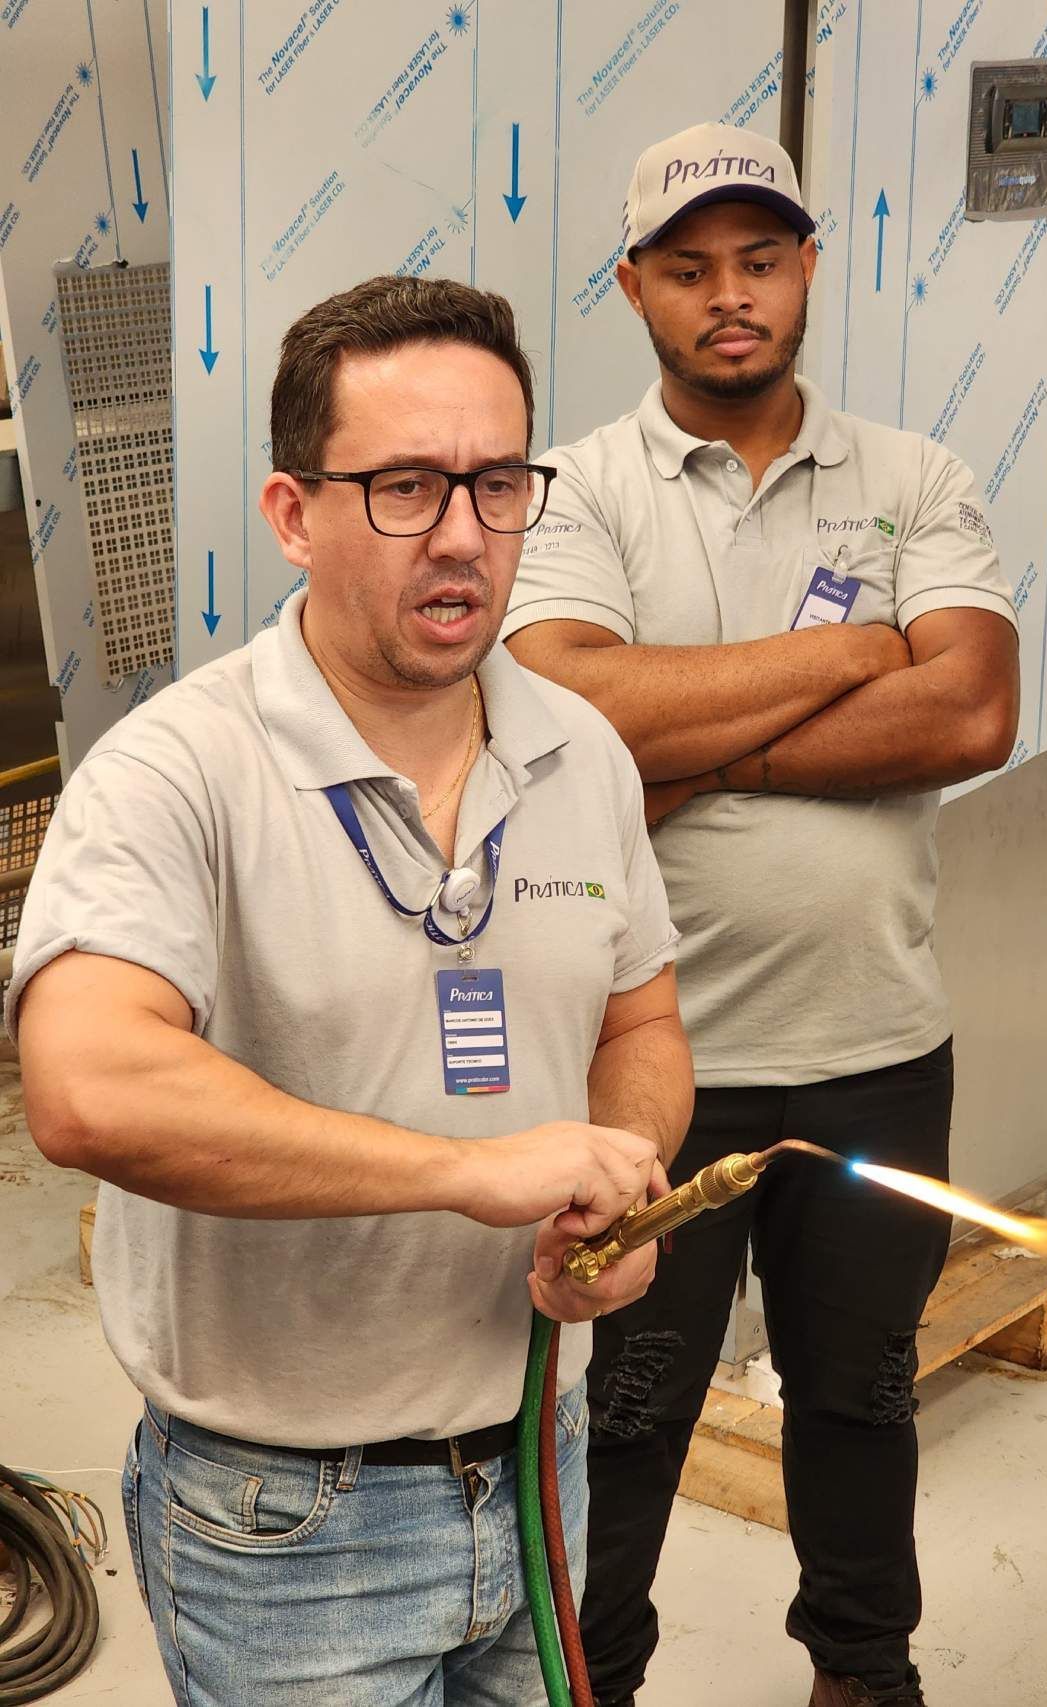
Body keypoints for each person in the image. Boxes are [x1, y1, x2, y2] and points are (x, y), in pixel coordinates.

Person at [7, 275, 694, 1706]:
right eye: (404, 486)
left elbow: (639, 1019)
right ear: (291, 511)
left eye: (499, 483)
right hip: (288, 1523)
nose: (462, 533)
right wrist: (465, 1171)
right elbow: (88, 1086)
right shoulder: (175, 772)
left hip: (536, 1456)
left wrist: (627, 1193)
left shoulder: (582, 751)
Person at [504, 123, 1020, 1707]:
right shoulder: (575, 490)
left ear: (806, 266)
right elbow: (571, 708)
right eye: (689, 267)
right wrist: (854, 651)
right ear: (635, 288)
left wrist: (686, 742)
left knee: (861, 1393)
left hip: (878, 1045)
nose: (731, 295)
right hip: (657, 1057)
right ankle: (600, 1679)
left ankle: (864, 1676)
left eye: (761, 258)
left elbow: (973, 713)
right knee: (637, 1403)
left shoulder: (913, 474)